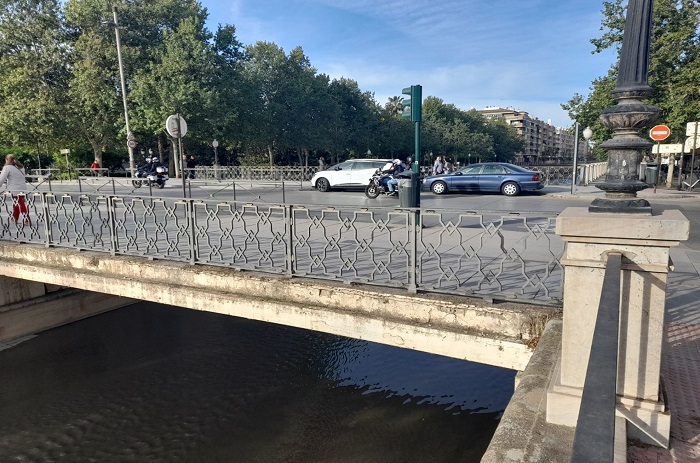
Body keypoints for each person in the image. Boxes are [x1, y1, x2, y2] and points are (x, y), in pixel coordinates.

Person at [0, 154, 30, 224]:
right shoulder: (21, 167)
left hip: (14, 189)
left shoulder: (7, 167)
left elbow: (1, 179)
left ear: (7, 160)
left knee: (19, 203)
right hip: (23, 188)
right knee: (17, 203)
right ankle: (15, 217)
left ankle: (26, 219)